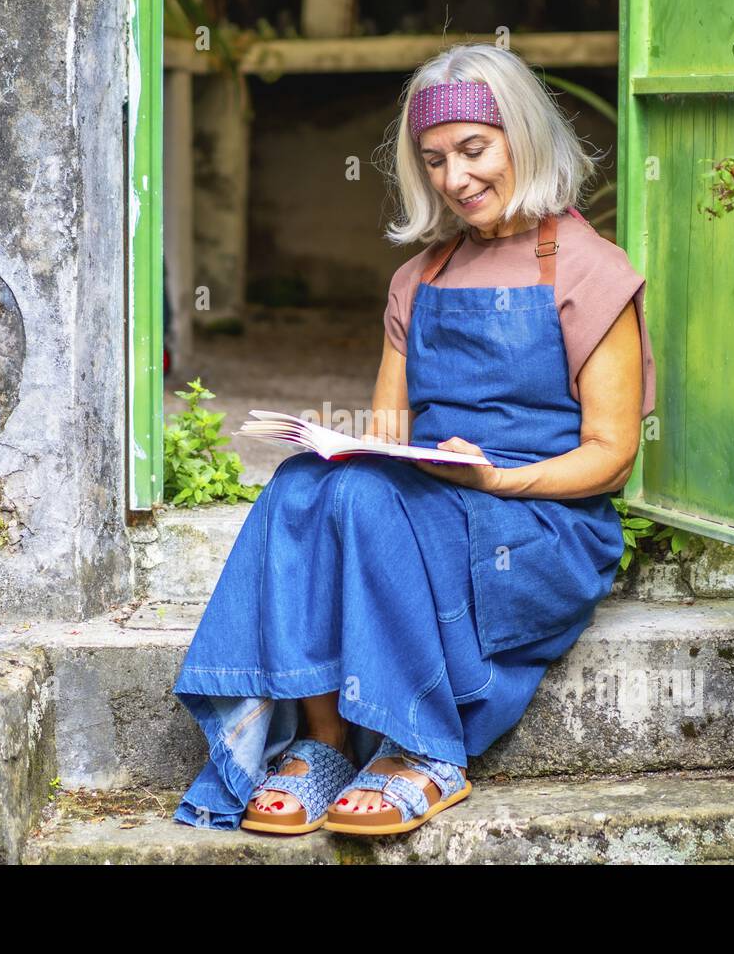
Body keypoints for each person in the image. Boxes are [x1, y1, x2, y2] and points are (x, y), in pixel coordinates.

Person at [171, 42, 657, 836]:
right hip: (431, 507)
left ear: (523, 138)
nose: (454, 179)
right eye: (433, 160)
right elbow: (388, 435)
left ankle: (420, 746)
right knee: (305, 483)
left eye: (473, 150)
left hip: (539, 523)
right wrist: (351, 450)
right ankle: (326, 744)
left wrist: (497, 481)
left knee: (364, 499)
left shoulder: (591, 272)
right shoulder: (418, 279)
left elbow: (611, 457)